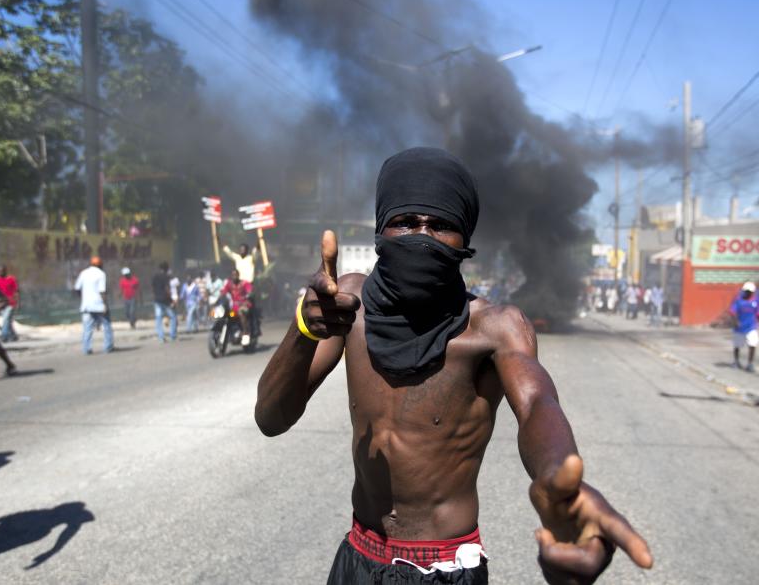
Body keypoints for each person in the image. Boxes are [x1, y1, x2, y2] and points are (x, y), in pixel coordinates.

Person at [255, 148, 653, 584]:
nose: (421, 236)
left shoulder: (495, 328)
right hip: (359, 555)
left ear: (464, 241)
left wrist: (560, 480)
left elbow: (539, 404)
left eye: (441, 225)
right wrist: (303, 329)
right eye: (406, 221)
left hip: (445, 569)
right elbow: (271, 418)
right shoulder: (346, 306)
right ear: (380, 229)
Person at [74, 256, 114, 355]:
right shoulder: (101, 274)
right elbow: (102, 291)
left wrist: (83, 298)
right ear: (100, 265)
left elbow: (77, 288)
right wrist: (105, 305)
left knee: (87, 328)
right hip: (99, 305)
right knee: (107, 325)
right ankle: (108, 347)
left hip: (87, 306)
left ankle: (86, 349)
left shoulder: (84, 273)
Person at [730, 282, 759, 372]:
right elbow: (733, 312)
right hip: (740, 327)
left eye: (750, 291)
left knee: (753, 344)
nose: (748, 293)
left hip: (751, 326)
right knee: (737, 345)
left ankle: (750, 363)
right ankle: (736, 361)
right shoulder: (739, 300)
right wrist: (736, 321)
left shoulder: (756, 301)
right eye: (746, 291)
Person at [220, 269, 254, 345]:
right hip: (233, 306)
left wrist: (249, 294)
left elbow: (249, 290)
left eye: (236, 275)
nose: (234, 276)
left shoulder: (244, 283)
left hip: (244, 304)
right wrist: (221, 295)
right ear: (231, 276)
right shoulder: (229, 284)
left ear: (238, 275)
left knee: (241, 312)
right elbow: (223, 291)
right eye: (233, 275)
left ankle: (245, 333)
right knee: (224, 314)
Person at [152, 262, 177, 343]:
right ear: (166, 269)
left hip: (157, 300)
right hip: (165, 301)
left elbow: (153, 287)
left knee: (158, 319)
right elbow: (167, 289)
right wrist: (171, 299)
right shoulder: (166, 277)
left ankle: (161, 337)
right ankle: (172, 335)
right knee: (172, 317)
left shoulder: (155, 276)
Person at [0, 264, 19, 343]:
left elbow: (16, 291)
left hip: (10, 303)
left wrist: (17, 302)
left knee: (5, 319)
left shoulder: (11, 279)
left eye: (2, 271)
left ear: (5, 271)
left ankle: (4, 336)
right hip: (0, 303)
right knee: (7, 321)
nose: (1, 272)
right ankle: (14, 335)